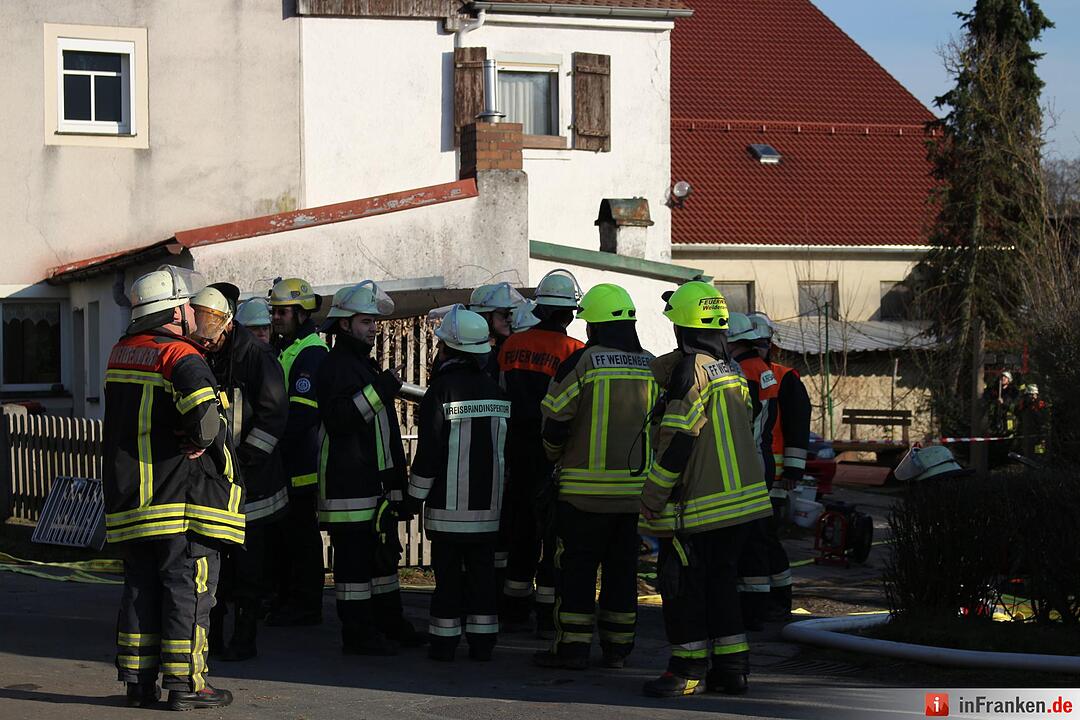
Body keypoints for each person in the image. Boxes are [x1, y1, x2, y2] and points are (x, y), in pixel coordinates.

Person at [103, 265, 241, 710]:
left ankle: (138, 684)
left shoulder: (121, 352)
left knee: (141, 589)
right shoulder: (181, 357)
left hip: (131, 502)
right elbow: (203, 418)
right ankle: (187, 685)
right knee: (189, 589)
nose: (192, 315)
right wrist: (202, 441)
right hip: (176, 500)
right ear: (174, 311)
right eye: (187, 307)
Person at [639, 282, 773, 698]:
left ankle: (686, 671)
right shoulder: (729, 368)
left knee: (682, 586)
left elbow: (679, 440)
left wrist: (652, 498)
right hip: (744, 505)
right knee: (721, 585)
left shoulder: (691, 372)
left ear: (682, 326)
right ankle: (732, 670)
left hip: (699, 509)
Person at [533, 284, 656, 670]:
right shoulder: (652, 364)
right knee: (622, 574)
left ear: (596, 325)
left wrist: (554, 457)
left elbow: (554, 420)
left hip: (582, 497)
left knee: (576, 573)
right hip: (634, 498)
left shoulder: (583, 363)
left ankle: (572, 648)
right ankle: (618, 650)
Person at [317, 281, 421, 654]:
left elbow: (384, 433)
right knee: (354, 571)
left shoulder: (361, 365)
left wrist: (396, 485)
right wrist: (380, 389)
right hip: (349, 489)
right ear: (344, 325)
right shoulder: (335, 367)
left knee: (382, 562)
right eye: (365, 321)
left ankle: (390, 624)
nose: (373, 327)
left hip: (372, 485)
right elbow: (342, 419)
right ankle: (358, 636)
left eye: (374, 321)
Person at [406, 305, 510, 662]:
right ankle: (483, 645)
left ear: (448, 349)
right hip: (489, 512)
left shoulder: (441, 391)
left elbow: (430, 453)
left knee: (448, 580)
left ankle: (444, 643)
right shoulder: (496, 392)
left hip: (448, 514)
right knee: (483, 578)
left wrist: (413, 497)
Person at [193, 285, 289, 662]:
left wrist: (246, 458)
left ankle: (244, 639)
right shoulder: (203, 352)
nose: (208, 341)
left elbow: (274, 415)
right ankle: (213, 637)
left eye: (213, 333)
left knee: (249, 567)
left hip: (254, 482)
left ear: (228, 325)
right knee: (215, 565)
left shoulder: (257, 357)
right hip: (216, 479)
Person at [497, 269, 585, 637]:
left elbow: (501, 394)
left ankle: (514, 606)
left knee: (519, 530)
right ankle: (548, 614)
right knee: (553, 536)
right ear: (569, 314)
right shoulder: (575, 352)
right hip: (553, 453)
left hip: (515, 450)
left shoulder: (510, 345)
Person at [266, 277, 328, 626]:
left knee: (301, 536)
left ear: (302, 314)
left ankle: (306, 605)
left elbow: (303, 414)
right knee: (285, 536)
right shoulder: (286, 349)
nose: (276, 317)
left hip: (301, 462)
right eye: (274, 311)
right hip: (284, 461)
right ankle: (287, 598)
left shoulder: (312, 353)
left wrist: (268, 441)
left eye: (283, 312)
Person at [750, 312, 808, 620]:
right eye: (752, 344)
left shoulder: (784, 378)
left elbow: (798, 427)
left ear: (769, 345)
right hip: (754, 472)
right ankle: (762, 598)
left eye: (761, 344)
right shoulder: (744, 372)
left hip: (776, 474)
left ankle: (779, 599)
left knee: (766, 537)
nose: (756, 349)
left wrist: (793, 472)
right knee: (756, 538)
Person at [727, 313, 780, 630]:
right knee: (757, 536)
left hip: (744, 461)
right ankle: (758, 605)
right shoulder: (763, 370)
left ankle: (750, 608)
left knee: (743, 537)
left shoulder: (743, 371)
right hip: (762, 457)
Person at [468, 282, 525, 379]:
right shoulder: (469, 355)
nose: (510, 319)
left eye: (510, 313)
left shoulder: (503, 350)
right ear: (485, 316)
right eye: (504, 314)